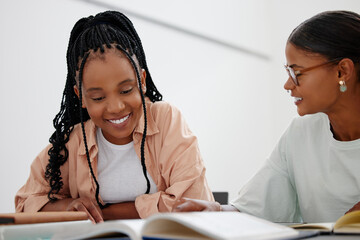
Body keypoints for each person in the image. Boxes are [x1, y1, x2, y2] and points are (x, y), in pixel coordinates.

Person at [15, 10, 214, 223]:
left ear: (142, 80)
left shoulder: (166, 120)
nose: (116, 107)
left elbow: (192, 203)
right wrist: (68, 205)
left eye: (126, 90)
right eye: (98, 97)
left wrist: (101, 214)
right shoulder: (73, 142)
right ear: (80, 96)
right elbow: (25, 203)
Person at [173, 10, 360, 223]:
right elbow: (255, 207)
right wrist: (216, 212)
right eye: (287, 72)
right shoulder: (300, 134)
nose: (288, 85)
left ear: (342, 71)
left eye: (296, 73)